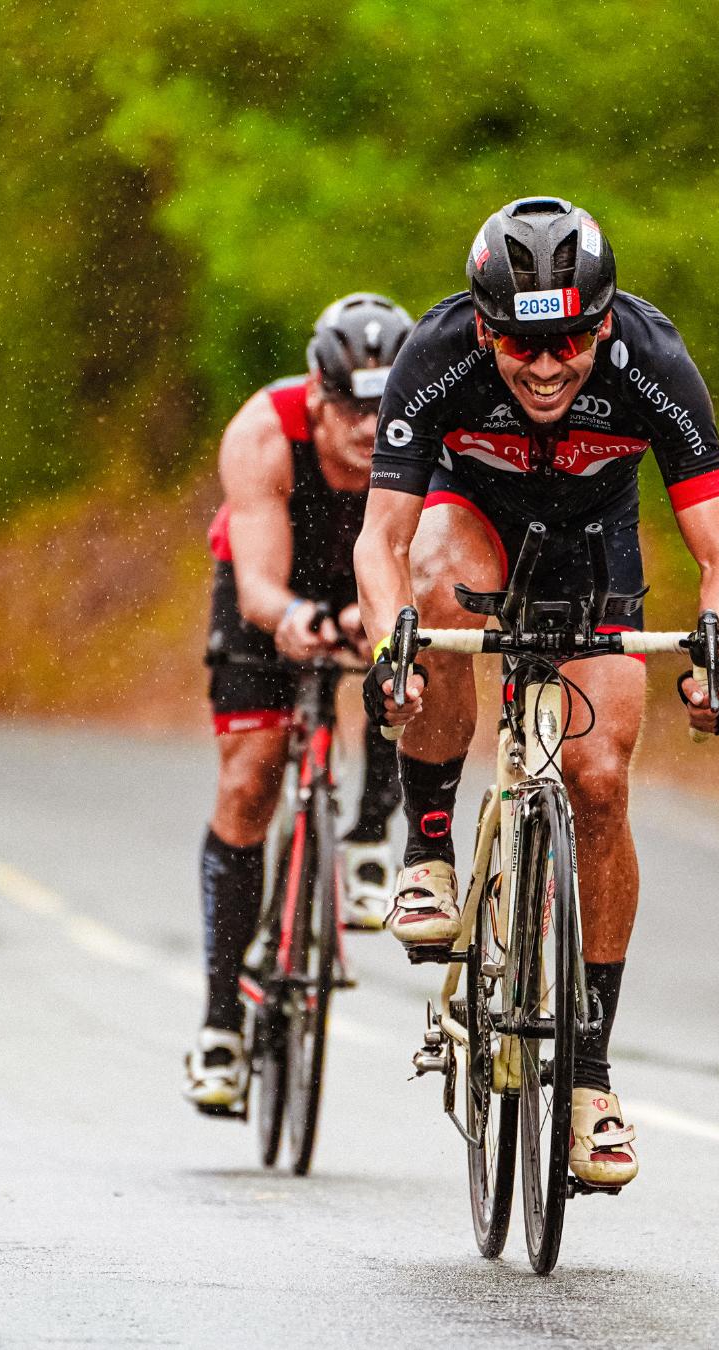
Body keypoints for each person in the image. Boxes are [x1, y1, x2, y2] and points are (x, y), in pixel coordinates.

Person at [353, 199, 719, 1188]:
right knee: (434, 591)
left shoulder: (652, 360)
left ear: (604, 324)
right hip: (468, 518)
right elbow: (382, 540)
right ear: (484, 328)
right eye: (520, 343)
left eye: (568, 341)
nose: (544, 366)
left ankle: (587, 1078)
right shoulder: (438, 352)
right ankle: (430, 848)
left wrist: (718, 661)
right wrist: (391, 652)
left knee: (600, 781)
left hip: (592, 545)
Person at [184, 292, 414, 1115]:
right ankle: (220, 1024)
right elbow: (256, 587)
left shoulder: (425, 434)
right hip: (275, 584)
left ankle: (369, 835)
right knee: (250, 780)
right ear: (317, 393)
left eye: (386, 406)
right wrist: (298, 620)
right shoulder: (261, 432)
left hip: (375, 580)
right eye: (352, 405)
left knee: (409, 667)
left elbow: (430, 561)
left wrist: (377, 626)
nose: (371, 425)